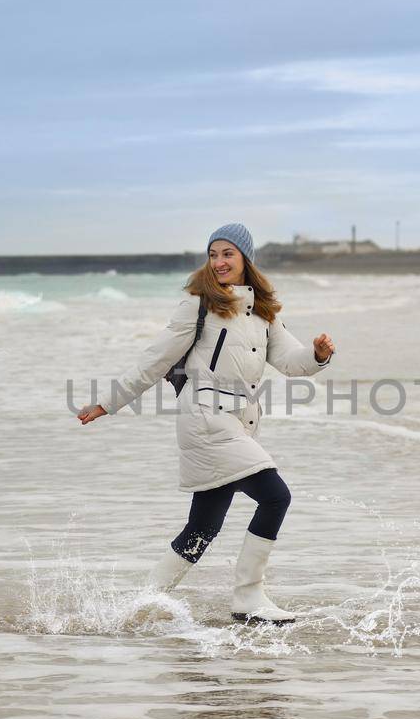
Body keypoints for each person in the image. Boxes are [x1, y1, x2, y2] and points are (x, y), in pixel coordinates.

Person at [77, 223, 335, 625]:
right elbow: (155, 359)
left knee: (203, 527)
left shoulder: (262, 313)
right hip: (206, 418)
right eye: (213, 254)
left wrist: (318, 355)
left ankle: (138, 607)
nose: (218, 262)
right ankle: (249, 597)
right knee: (275, 496)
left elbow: (290, 362)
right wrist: (108, 403)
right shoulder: (199, 305)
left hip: (239, 423)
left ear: (245, 259)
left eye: (227, 254)